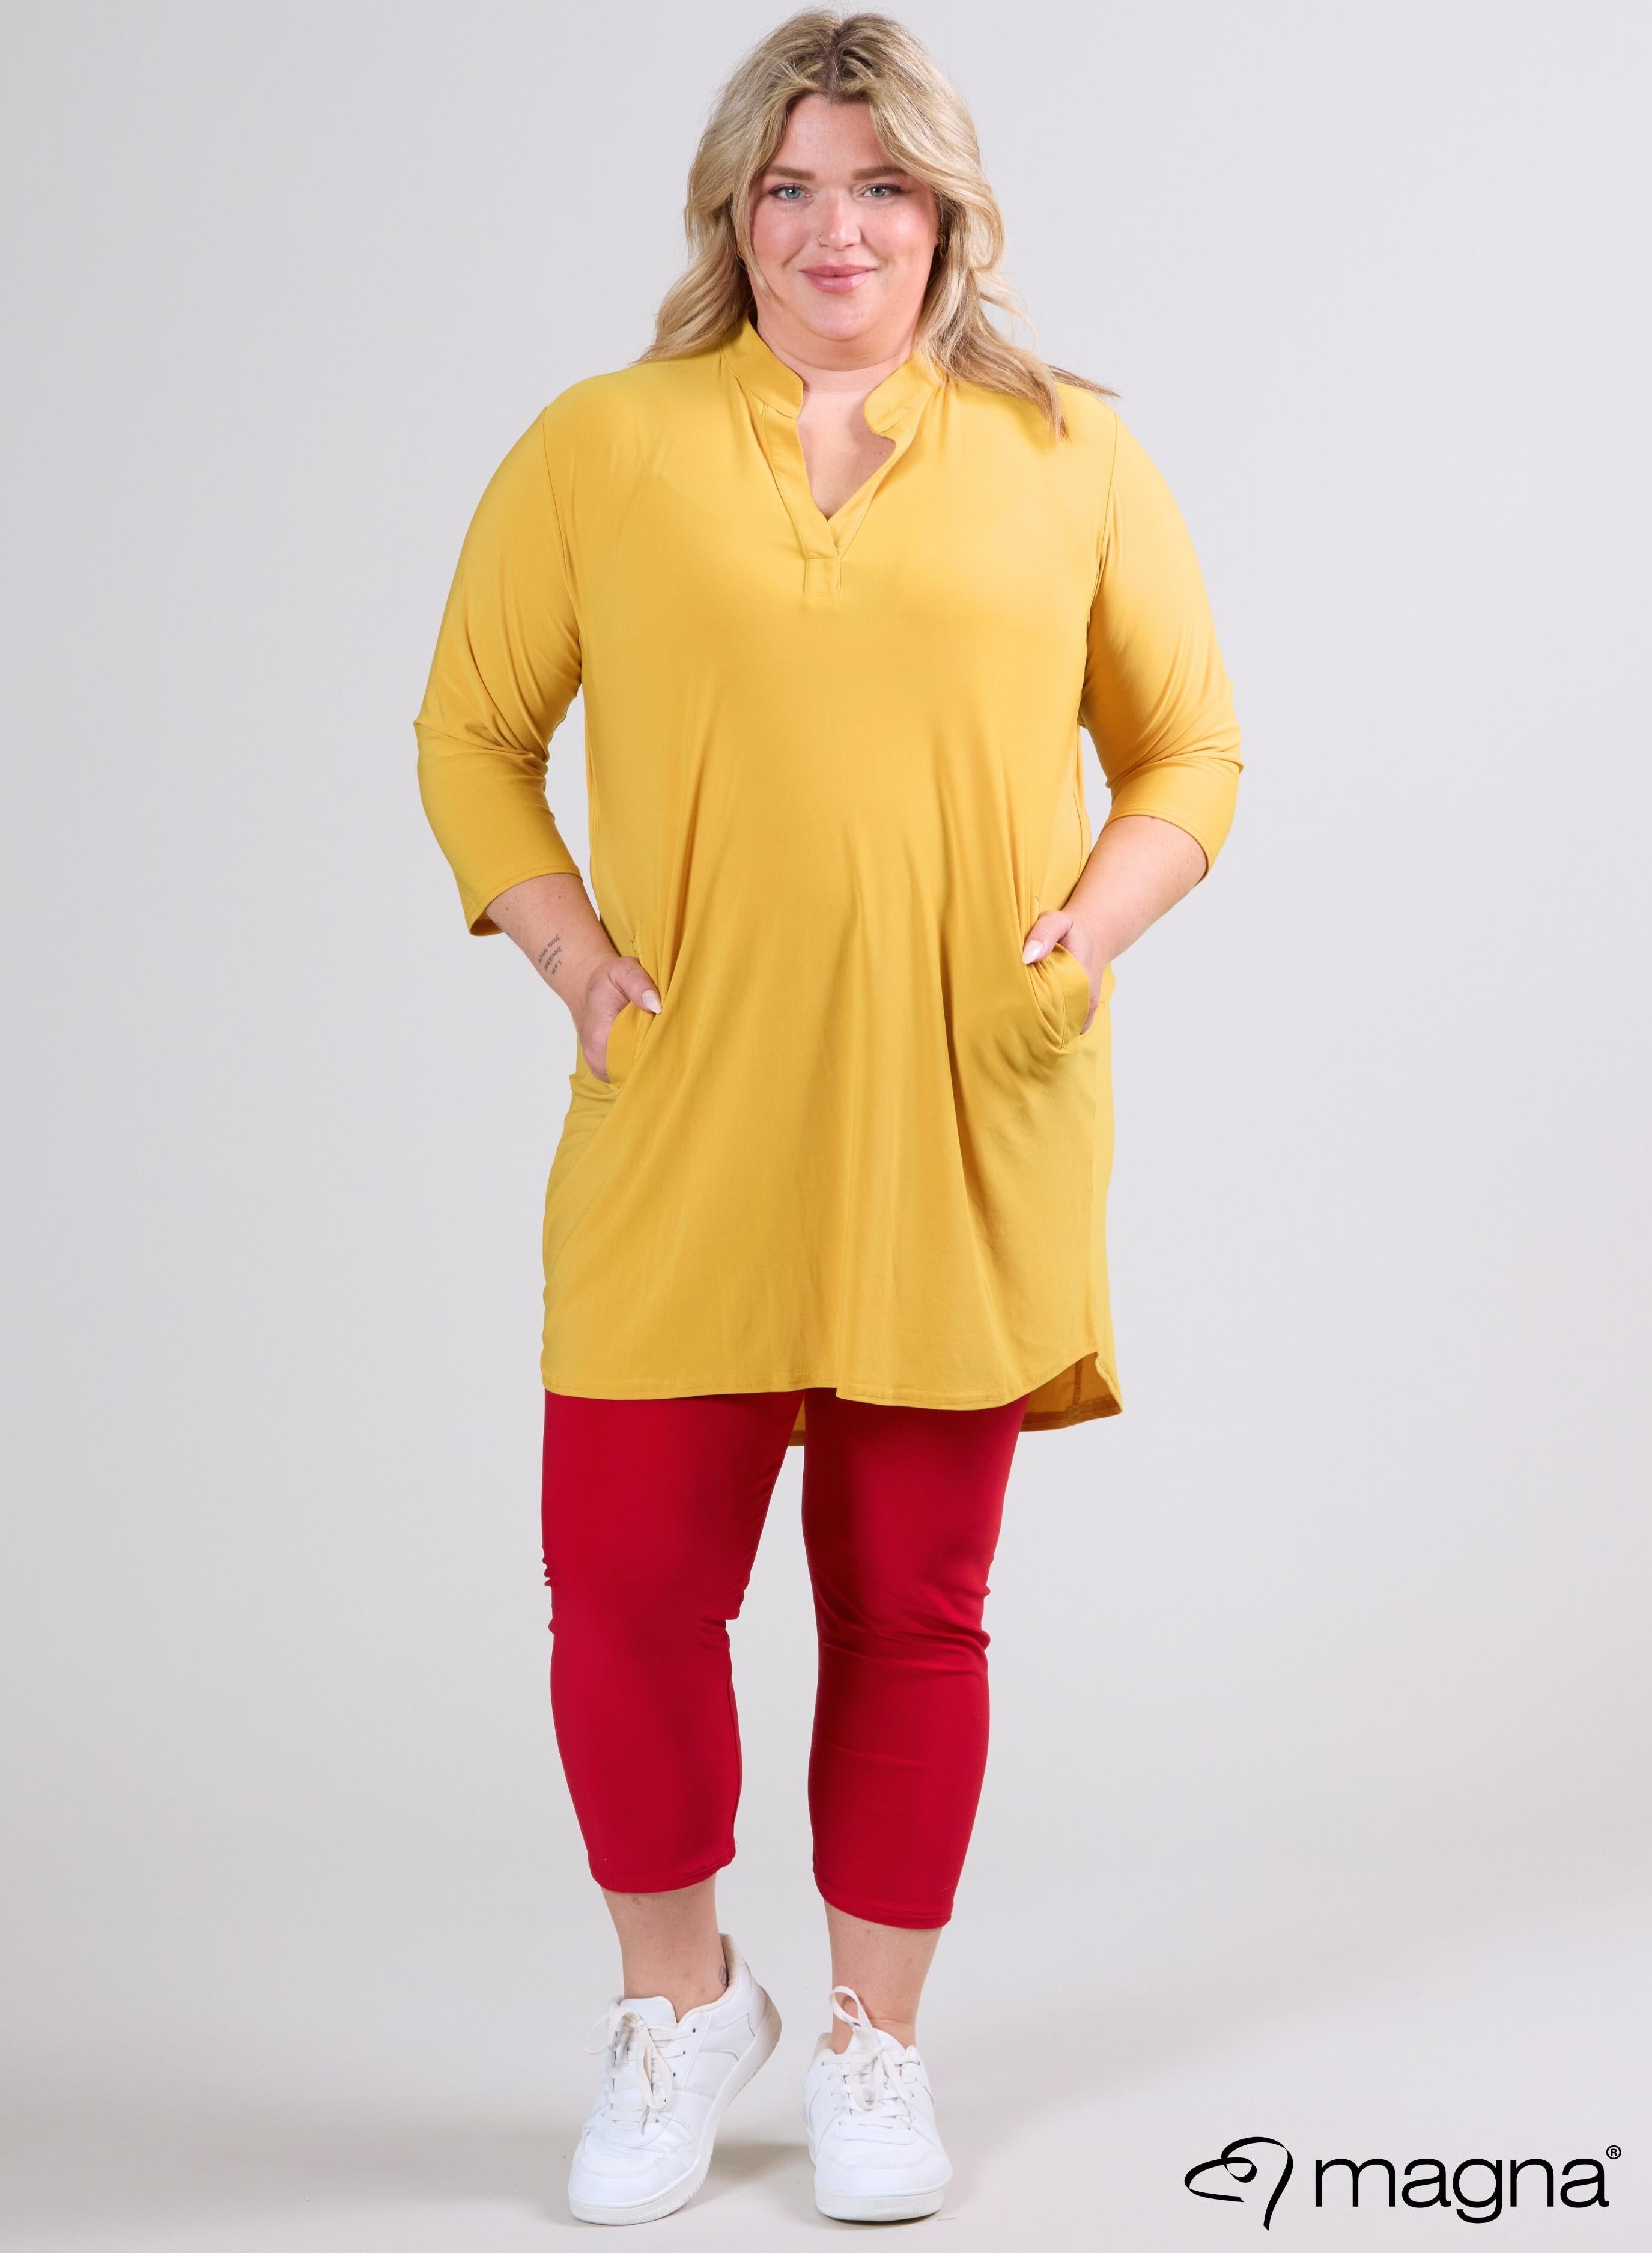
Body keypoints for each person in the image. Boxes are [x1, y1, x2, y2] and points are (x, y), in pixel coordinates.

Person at [415, 8, 1240, 2228]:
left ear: (948, 216)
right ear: (732, 216)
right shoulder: (605, 444)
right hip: (685, 1111)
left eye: (881, 185)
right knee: (624, 1598)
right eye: (789, 186)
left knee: (909, 1609)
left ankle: (877, 2047)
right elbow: (471, 732)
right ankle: (677, 2013)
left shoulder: (1069, 455)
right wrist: (572, 957)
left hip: (961, 1113)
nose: (835, 227)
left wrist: (1085, 933)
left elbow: (1193, 751)